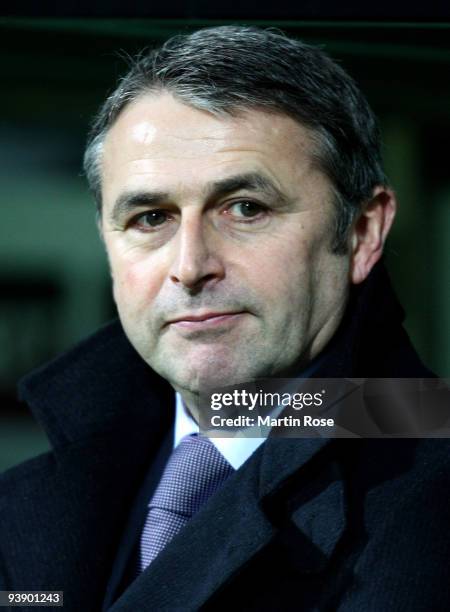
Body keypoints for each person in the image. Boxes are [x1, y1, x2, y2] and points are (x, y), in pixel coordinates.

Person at [1, 25, 449, 612]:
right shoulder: (31, 498)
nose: (190, 266)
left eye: (245, 208)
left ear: (362, 232)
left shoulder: (429, 497)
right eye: (150, 217)